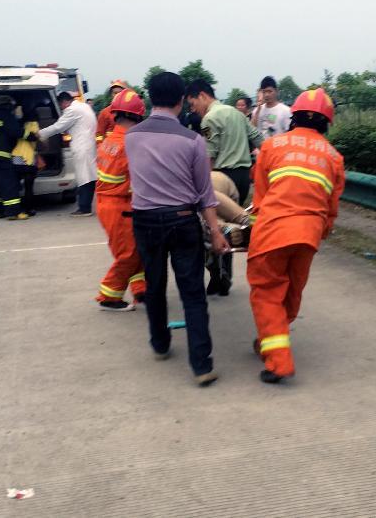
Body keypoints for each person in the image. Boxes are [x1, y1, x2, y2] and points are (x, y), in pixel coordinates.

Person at [126, 71, 229, 387]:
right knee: (193, 294)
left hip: (145, 221)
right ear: (182, 100)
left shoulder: (132, 137)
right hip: (183, 221)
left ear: (150, 99)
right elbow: (205, 194)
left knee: (154, 286)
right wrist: (215, 231)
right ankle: (202, 366)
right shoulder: (193, 140)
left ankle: (160, 344)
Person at [247, 88, 345, 383]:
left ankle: (279, 361)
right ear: (327, 122)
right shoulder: (334, 157)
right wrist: (320, 230)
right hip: (308, 236)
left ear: (294, 116)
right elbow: (331, 208)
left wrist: (252, 229)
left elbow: (260, 198)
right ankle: (271, 338)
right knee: (291, 292)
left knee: (266, 292)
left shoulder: (272, 146)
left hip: (273, 230)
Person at [185, 79, 263, 296]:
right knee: (227, 227)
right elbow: (258, 139)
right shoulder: (236, 112)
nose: (194, 110)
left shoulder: (210, 118)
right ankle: (224, 277)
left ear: (202, 95)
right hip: (243, 178)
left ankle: (217, 276)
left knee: (211, 227)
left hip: (220, 177)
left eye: (193, 104)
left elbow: (209, 157)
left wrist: (201, 182)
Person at [94, 89, 148, 311]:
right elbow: (140, 180)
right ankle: (109, 296)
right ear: (137, 117)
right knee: (129, 253)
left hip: (108, 202)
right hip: (119, 204)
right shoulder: (130, 144)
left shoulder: (111, 139)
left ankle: (140, 290)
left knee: (135, 250)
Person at [38, 91, 98, 216]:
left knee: (84, 178)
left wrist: (40, 134)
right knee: (89, 176)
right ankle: (85, 206)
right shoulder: (84, 106)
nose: (61, 108)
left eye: (60, 106)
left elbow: (58, 127)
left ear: (64, 102)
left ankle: (84, 208)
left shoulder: (72, 110)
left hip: (81, 146)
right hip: (89, 145)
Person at [11, 108, 42, 217]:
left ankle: (15, 209)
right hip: (29, 158)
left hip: (16, 157)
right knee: (29, 186)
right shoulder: (34, 124)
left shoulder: (16, 124)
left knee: (14, 185)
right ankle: (29, 209)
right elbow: (38, 138)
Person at [95, 79, 127, 145]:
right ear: (111, 94)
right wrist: (99, 146)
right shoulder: (104, 112)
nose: (117, 95)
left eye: (120, 93)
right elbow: (99, 134)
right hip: (110, 149)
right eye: (115, 93)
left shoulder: (130, 111)